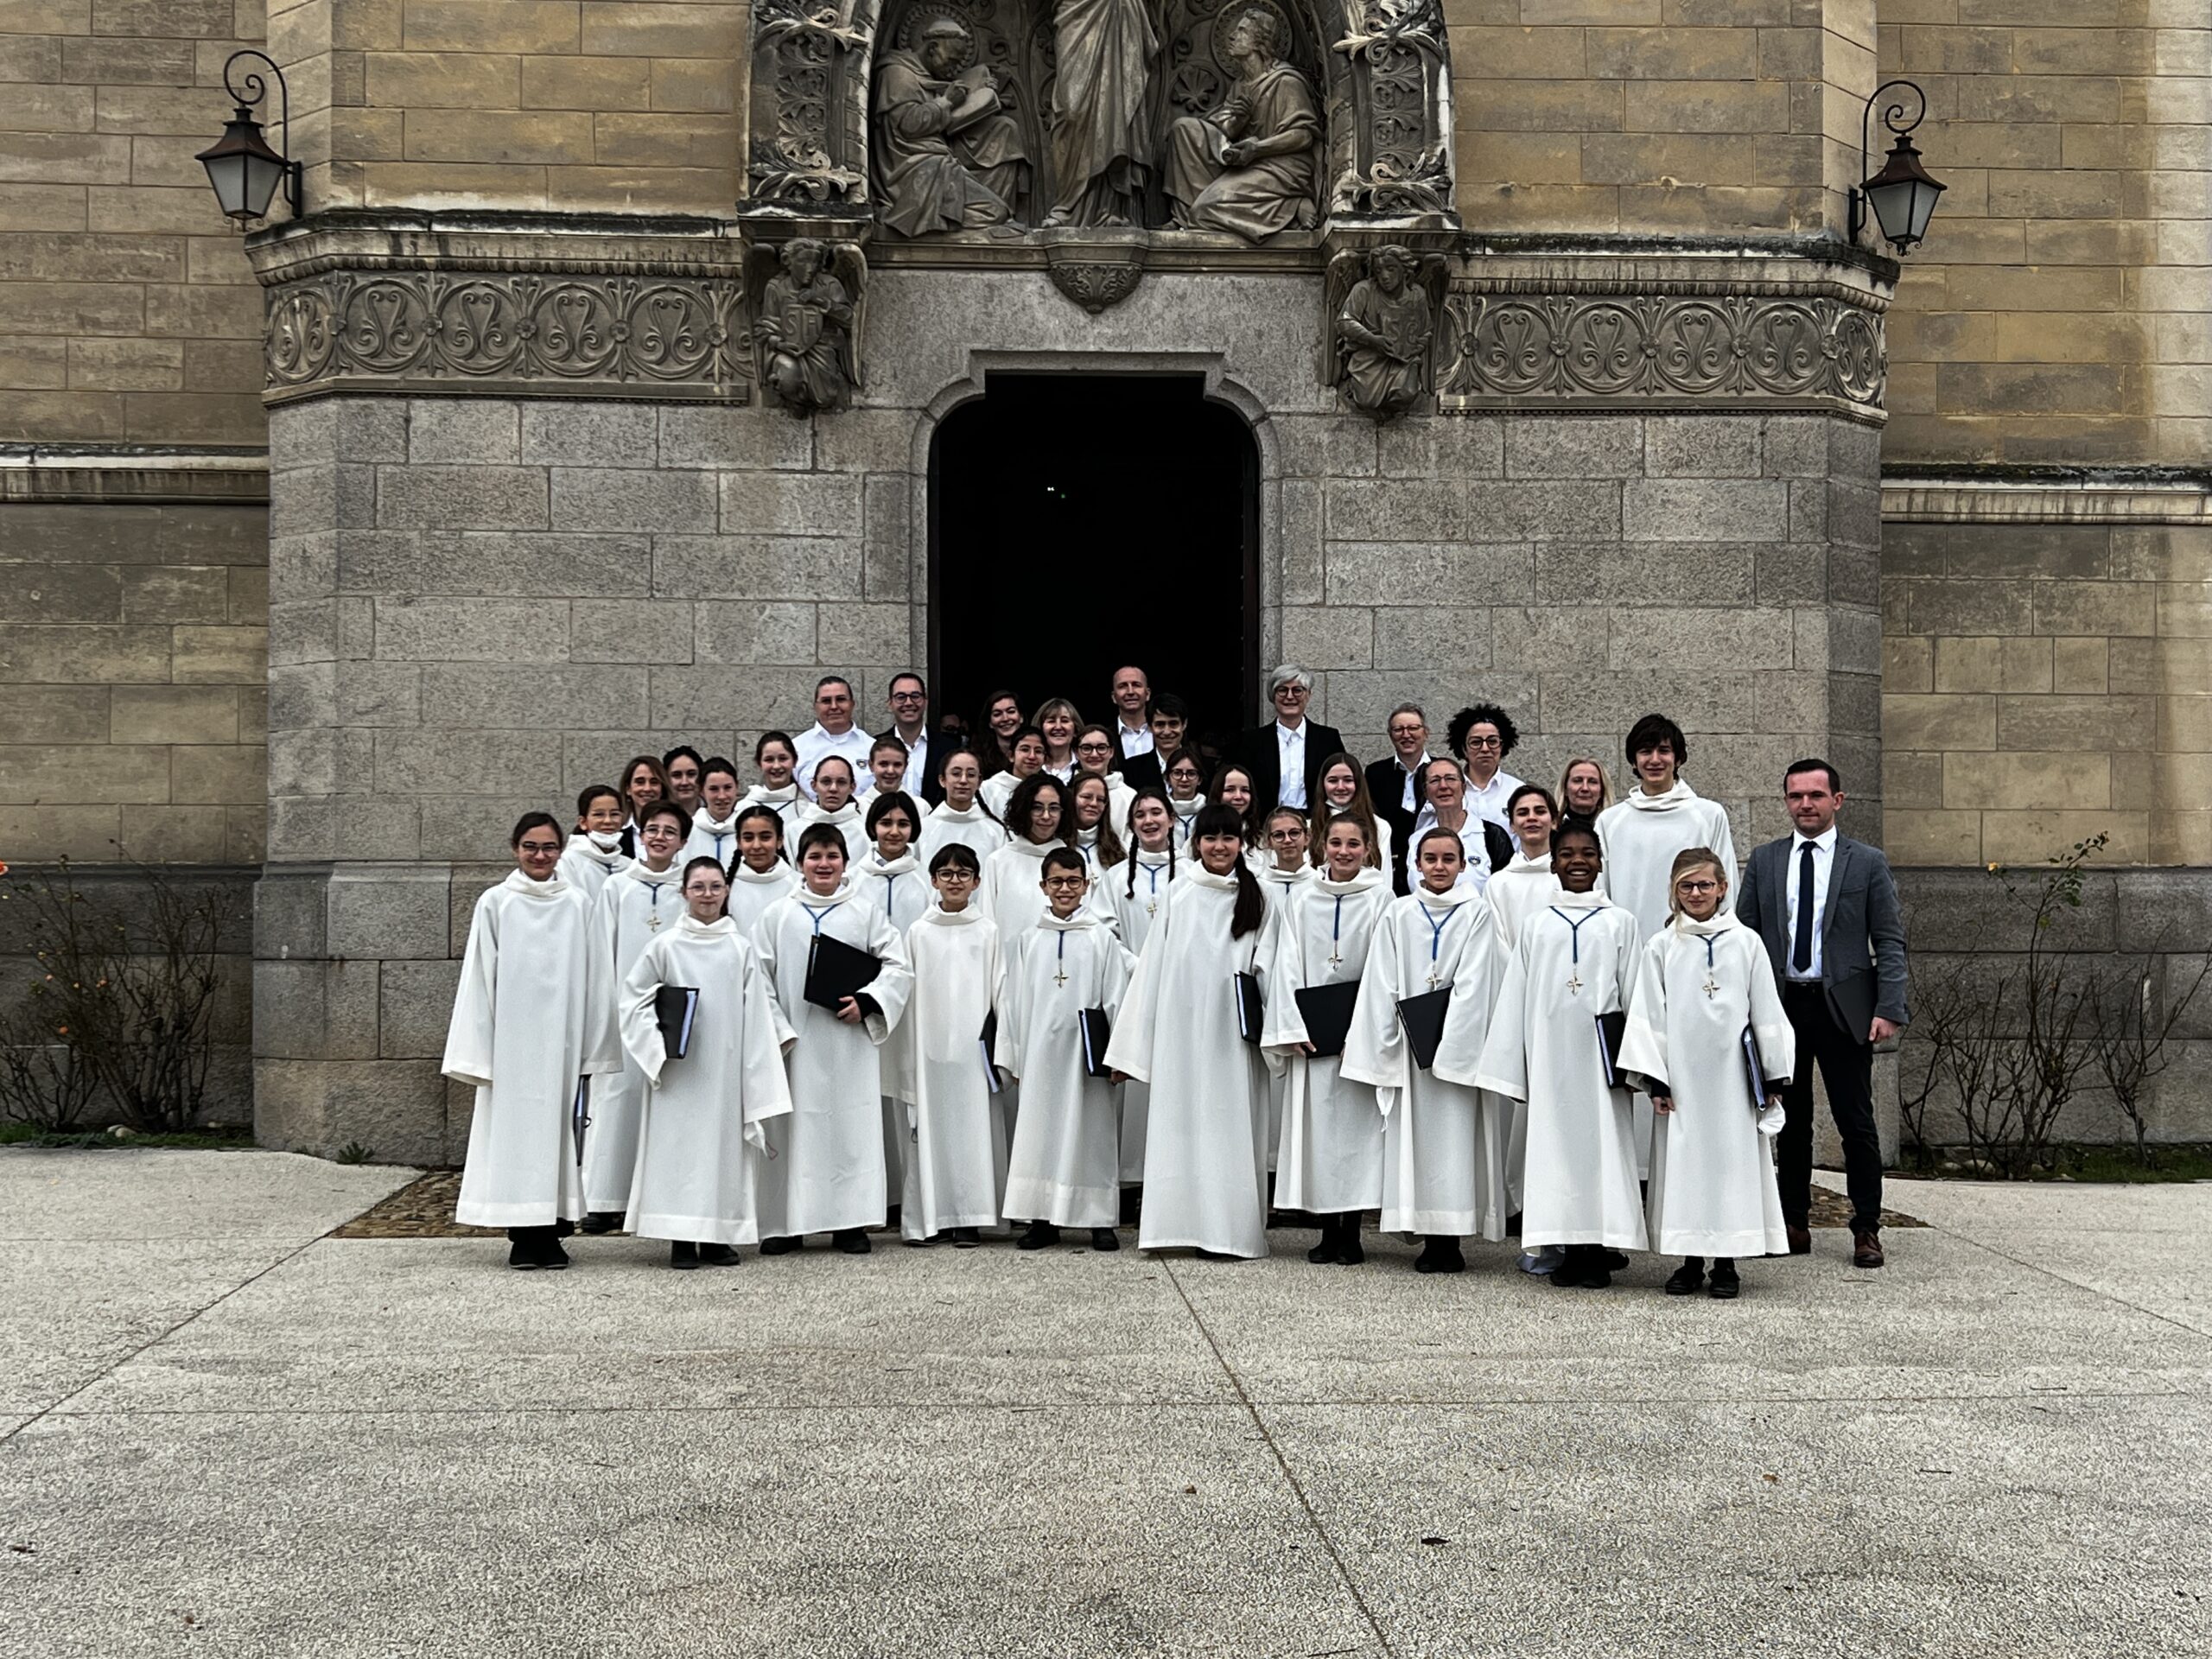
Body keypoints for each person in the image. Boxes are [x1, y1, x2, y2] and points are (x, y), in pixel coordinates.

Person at [1734, 758, 1907, 1269]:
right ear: (1785, 801)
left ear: (1837, 800)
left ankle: (1867, 1227)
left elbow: (1890, 940)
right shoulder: (1765, 861)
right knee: (1791, 1121)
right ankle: (1793, 1221)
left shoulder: (1866, 862)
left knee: (1856, 1122)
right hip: (1782, 1006)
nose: (1805, 804)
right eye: (1795, 796)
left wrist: (1889, 1007)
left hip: (1845, 1009)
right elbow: (1743, 938)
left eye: (1815, 795)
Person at [1464, 819, 1646, 1290]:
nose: (1578, 861)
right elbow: (1515, 997)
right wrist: (1513, 1067)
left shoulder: (1619, 922)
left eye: (1587, 853)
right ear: (1554, 863)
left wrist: (1637, 1062)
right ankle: (1564, 1248)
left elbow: (1636, 997)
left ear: (1600, 862)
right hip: (1550, 1061)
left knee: (1601, 1151)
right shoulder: (1538, 924)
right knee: (1555, 1154)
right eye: (1567, 854)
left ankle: (1598, 1249)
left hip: (1601, 1062)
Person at [444, 812, 623, 1270]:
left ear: (561, 850)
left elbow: (598, 976)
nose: (540, 856)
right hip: (512, 1045)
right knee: (516, 1138)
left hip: (561, 1043)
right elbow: (479, 976)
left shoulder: (578, 903)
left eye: (548, 847)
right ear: (514, 849)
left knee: (556, 1137)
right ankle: (522, 1236)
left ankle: (554, 1232)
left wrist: (594, 1044)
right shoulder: (496, 903)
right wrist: (479, 1047)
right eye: (530, 847)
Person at [1103, 804, 1276, 1259]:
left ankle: (1228, 1231)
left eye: (1229, 838)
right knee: (1180, 1123)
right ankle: (1177, 1225)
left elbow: (1275, 966)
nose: (1219, 847)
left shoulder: (1259, 896)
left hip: (1233, 1036)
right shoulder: (1179, 894)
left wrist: (1278, 1027)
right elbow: (1151, 972)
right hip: (1182, 1033)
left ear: (1242, 843)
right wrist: (1129, 1050)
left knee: (1229, 1125)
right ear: (1196, 843)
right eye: (1210, 838)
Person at [1620, 848, 1794, 1299]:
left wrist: (1773, 1074)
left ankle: (1726, 1263)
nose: (1696, 894)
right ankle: (1689, 1260)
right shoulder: (1661, 946)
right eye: (1686, 886)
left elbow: (1766, 1008)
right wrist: (1656, 1079)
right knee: (1686, 1168)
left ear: (1722, 888)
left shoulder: (1746, 942)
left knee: (1731, 1168)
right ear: (1674, 892)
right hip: (1683, 1082)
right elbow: (1648, 1014)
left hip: (1734, 1080)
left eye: (1704, 885)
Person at [1344, 826, 1508, 1273]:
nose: (1439, 867)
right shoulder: (1398, 913)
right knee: (1414, 1142)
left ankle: (1449, 1240)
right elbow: (1381, 979)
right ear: (1416, 864)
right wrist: (1393, 1037)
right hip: (1410, 1048)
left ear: (1462, 864)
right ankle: (1422, 1232)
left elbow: (1476, 983)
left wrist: (1450, 1046)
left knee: (1454, 1143)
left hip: (1454, 1056)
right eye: (1430, 859)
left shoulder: (1477, 913)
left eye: (1448, 859)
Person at [618, 856, 795, 1268]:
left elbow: (758, 1008)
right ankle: (680, 1237)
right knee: (677, 1150)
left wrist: (756, 1065)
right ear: (684, 893)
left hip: (724, 1067)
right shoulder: (665, 945)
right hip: (679, 1068)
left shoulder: (739, 946)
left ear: (727, 892)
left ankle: (719, 1236)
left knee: (723, 1150)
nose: (707, 895)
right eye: (698, 887)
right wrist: (656, 1045)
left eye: (715, 887)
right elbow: (633, 998)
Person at [754, 823, 914, 1255]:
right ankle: (788, 1224)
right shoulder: (777, 915)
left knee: (850, 1127)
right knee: (795, 1130)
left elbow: (897, 966)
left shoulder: (863, 912)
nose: (823, 865)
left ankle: (850, 1223)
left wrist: (868, 1001)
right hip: (796, 1045)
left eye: (832, 856)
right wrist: (780, 1032)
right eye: (814, 857)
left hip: (849, 1043)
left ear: (845, 862)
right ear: (800, 862)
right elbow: (758, 981)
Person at [1593, 713, 1736, 1179]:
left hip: (1690, 957)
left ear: (1678, 757)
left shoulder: (1707, 814)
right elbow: (1605, 891)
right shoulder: (1611, 822)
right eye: (1645, 751)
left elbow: (1724, 889)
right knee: (1637, 1057)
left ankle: (1686, 1176)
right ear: (1633, 760)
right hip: (1629, 957)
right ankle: (1632, 1176)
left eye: (1664, 751)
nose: (1655, 760)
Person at [1264, 814, 1389, 1265]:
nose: (1343, 852)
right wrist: (1292, 1026)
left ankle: (1352, 1231)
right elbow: (1286, 962)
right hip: (1314, 1035)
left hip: (1357, 1034)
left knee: (1356, 1134)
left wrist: (1367, 1026)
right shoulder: (1303, 899)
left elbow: (1384, 966)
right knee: (1319, 1133)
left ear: (1367, 849)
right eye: (1335, 843)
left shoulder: (1381, 898)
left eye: (1352, 844)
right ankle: (1326, 1229)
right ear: (1322, 846)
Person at [999, 847, 1134, 1251]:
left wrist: (1116, 1054)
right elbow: (1014, 1001)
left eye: (1073, 881)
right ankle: (1041, 1219)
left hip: (1085, 1056)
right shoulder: (1029, 939)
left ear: (1087, 885)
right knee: (1040, 1134)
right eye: (1056, 881)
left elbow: (1117, 996)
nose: (1065, 889)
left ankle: (1097, 1218)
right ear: (1043, 886)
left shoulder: (1100, 938)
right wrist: (1016, 1054)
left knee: (1090, 1133)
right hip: (1040, 1056)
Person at [582, 798, 691, 1233]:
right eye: (652, 829)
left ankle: (664, 1195)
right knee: (618, 1096)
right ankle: (606, 1198)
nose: (660, 837)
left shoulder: (691, 885)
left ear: (682, 840)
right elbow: (600, 949)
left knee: (670, 1097)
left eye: (669, 830)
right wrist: (607, 1004)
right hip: (626, 1005)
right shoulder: (619, 887)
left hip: (676, 1006)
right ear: (639, 835)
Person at [891, 844, 1008, 1247]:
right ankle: (929, 1218)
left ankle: (969, 1217)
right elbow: (904, 992)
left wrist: (1001, 1049)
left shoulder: (988, 931)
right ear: (933, 880)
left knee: (972, 1131)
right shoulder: (919, 932)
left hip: (973, 1052)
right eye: (946, 873)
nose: (954, 880)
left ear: (977, 882)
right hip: (930, 1049)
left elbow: (1001, 993)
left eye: (963, 874)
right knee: (931, 1131)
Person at [1105, 788, 1180, 1188]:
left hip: (1178, 991)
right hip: (1133, 988)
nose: (1149, 821)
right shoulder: (1116, 876)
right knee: (1133, 1090)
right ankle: (1132, 1179)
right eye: (1140, 815)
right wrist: (1141, 966)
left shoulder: (1189, 872)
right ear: (1131, 824)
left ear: (1171, 819)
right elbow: (1104, 931)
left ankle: (1170, 1176)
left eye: (1156, 813)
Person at [1236, 664, 1344, 810]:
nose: (1290, 696)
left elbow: (1341, 780)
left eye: (1297, 690)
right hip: (1267, 823)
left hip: (1316, 823)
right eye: (1282, 690)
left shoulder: (1328, 739)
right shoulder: (1253, 741)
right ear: (1272, 696)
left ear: (1308, 695)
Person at [980, 772, 1075, 932]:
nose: (1046, 816)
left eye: (1053, 808)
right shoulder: (998, 862)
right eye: (1037, 808)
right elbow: (987, 922)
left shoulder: (1073, 864)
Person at [1487, 783, 1563, 957]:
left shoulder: (1567, 879)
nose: (1531, 818)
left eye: (1540, 811)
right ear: (1512, 825)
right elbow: (1497, 943)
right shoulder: (1498, 884)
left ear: (1554, 822)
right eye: (1523, 813)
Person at [1365, 703, 1433, 895]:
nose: (1406, 735)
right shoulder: (1375, 773)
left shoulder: (1440, 771)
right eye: (1399, 729)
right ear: (1390, 735)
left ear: (1426, 732)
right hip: (1388, 866)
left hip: (1429, 865)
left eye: (1413, 728)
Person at [1411, 758, 1504, 892]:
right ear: (1426, 793)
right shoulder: (1414, 841)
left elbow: (1506, 890)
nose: (1443, 786)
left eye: (1450, 779)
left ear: (1464, 787)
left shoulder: (1492, 836)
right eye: (1435, 780)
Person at [918, 746, 1007, 865]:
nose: (963, 780)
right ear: (942, 780)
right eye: (956, 774)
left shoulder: (996, 832)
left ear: (979, 782)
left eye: (971, 775)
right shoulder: (923, 829)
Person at [793, 675, 874, 799]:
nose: (834, 706)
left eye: (841, 699)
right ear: (815, 706)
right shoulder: (796, 749)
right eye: (826, 701)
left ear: (852, 704)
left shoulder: (871, 748)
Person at [1445, 702, 1523, 832]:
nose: (1485, 749)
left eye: (1492, 741)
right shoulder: (1448, 791)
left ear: (1502, 746)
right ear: (1464, 749)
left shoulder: (1517, 790)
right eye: (1476, 742)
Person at [1310, 753, 1389, 876]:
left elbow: (1384, 876)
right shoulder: (1309, 827)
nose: (1340, 787)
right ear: (1323, 784)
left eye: (1348, 780)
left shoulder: (1379, 826)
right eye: (1333, 781)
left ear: (1358, 783)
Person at [726, 804, 799, 936]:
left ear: (779, 841)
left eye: (765, 837)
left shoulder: (798, 885)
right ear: (738, 842)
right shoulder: (726, 886)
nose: (756, 845)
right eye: (748, 838)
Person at [557, 784, 630, 903]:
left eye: (614, 814)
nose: (608, 821)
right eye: (599, 814)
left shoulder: (628, 865)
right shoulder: (568, 862)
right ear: (583, 822)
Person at [799, 754, 871, 864]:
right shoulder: (795, 830)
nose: (833, 789)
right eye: (826, 782)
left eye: (841, 782)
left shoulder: (865, 831)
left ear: (852, 787)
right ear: (814, 785)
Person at [884, 671, 942, 805]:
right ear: (890, 703)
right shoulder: (875, 745)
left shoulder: (948, 747)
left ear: (925, 702)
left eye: (915, 696)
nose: (909, 703)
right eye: (901, 697)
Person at [682, 756, 746, 871]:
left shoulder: (746, 829)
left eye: (727, 788)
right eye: (714, 789)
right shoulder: (688, 831)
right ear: (701, 791)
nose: (722, 796)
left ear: (737, 787)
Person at [1072, 723, 1136, 832]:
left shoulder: (1129, 797)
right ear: (1076, 753)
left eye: (1101, 748)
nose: (1094, 754)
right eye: (1086, 748)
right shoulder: (1066, 792)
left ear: (1111, 752)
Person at [856, 735, 932, 823]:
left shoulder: (920, 807)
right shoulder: (858, 807)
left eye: (897, 765)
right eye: (883, 764)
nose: (890, 771)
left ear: (905, 767)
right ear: (871, 765)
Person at [743, 732, 805, 837]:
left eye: (783, 758)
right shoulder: (744, 807)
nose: (776, 766)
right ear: (759, 763)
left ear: (795, 761)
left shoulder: (806, 809)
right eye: (769, 760)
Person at [979, 724, 1046, 819]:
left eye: (1038, 751)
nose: (1032, 756)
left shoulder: (1051, 790)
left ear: (1045, 758)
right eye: (1025, 749)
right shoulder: (988, 788)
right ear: (1011, 756)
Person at [1069, 771, 1128, 877]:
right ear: (1072, 798)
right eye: (1086, 797)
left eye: (1101, 799)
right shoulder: (1057, 845)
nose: (1094, 804)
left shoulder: (1118, 848)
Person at [617, 753, 670, 859]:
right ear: (628, 789)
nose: (647, 788)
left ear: (662, 788)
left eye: (654, 782)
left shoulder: (677, 829)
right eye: (640, 782)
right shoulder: (617, 833)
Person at [1109, 664, 1154, 773]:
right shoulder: (1106, 737)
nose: (1130, 692)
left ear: (1147, 694)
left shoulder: (1164, 734)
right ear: (1114, 697)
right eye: (1123, 686)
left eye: (1136, 685)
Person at [975, 688, 1024, 779]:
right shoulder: (978, 759)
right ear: (990, 723)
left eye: (1011, 712)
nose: (1005, 718)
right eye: (997, 714)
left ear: (1021, 717)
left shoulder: (1034, 754)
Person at [1161, 746, 1207, 842]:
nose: (1184, 779)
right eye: (1177, 773)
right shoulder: (1160, 812)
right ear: (1167, 778)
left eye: (1191, 774)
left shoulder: (1210, 812)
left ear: (1200, 779)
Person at [1035, 697, 1082, 782]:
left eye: (1065, 721)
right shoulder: (1032, 766)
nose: (1058, 727)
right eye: (1051, 721)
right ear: (1040, 728)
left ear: (1075, 729)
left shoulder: (1085, 765)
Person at [1559, 755, 1612, 821]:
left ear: (1602, 791)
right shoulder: (1550, 827)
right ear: (1565, 789)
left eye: (1592, 782)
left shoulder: (1612, 827)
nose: (1585, 788)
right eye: (1578, 781)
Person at [661, 745, 705, 817]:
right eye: (677, 775)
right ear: (666, 778)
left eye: (691, 774)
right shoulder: (655, 815)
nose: (685, 782)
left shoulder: (714, 814)